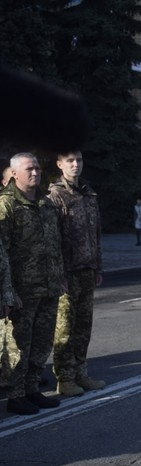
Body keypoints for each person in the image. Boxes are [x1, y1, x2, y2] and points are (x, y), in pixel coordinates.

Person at [0, 153, 65, 415]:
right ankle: (15, 395)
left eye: (38, 167)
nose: (35, 173)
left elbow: (54, 245)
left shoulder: (45, 204)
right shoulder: (6, 205)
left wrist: (60, 278)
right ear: (14, 173)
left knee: (42, 342)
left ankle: (31, 389)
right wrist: (7, 292)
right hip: (22, 291)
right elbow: (1, 252)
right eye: (29, 168)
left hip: (48, 286)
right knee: (20, 344)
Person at [48, 151, 106, 397]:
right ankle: (65, 377)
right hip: (67, 272)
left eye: (79, 160)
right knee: (65, 329)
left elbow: (96, 234)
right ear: (60, 164)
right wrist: (57, 274)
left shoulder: (88, 194)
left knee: (84, 326)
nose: (75, 165)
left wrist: (98, 266)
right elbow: (53, 241)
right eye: (70, 161)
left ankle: (81, 372)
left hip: (87, 269)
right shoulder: (55, 196)